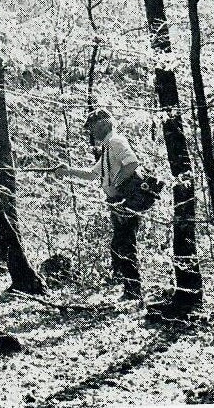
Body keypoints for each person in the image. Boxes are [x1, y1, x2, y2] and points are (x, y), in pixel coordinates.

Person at [55, 108, 142, 301]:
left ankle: (133, 293)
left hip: (125, 202)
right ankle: (129, 290)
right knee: (120, 245)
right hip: (118, 202)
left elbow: (132, 163)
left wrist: (117, 185)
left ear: (103, 124)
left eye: (92, 127)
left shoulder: (116, 142)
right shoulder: (108, 147)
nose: (91, 132)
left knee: (125, 246)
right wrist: (68, 170)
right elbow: (92, 174)